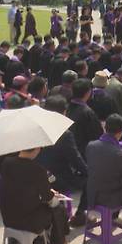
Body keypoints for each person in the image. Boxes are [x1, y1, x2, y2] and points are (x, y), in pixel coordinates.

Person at [0, 145, 73, 244]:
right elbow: (49, 199)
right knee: (59, 209)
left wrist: (46, 191)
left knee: (51, 208)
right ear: (37, 148)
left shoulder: (6, 163)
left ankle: (50, 241)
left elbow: (19, 188)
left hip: (8, 217)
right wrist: (53, 196)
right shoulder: (37, 169)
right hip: (28, 221)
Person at [36, 96, 89, 227]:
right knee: (90, 181)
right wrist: (89, 171)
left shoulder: (37, 129)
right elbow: (76, 160)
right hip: (57, 179)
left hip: (38, 174)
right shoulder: (65, 134)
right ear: (64, 112)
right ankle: (80, 214)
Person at [67, 79, 104, 157]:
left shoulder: (65, 107)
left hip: (68, 149)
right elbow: (97, 134)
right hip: (83, 152)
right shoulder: (88, 113)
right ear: (88, 92)